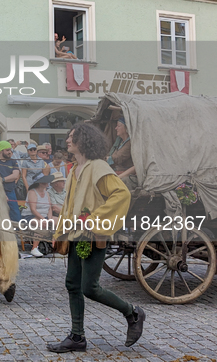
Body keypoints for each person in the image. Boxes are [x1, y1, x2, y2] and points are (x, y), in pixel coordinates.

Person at [48, 123, 144, 353]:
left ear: (84, 140)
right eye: (69, 136)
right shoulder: (74, 170)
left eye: (73, 137)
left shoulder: (98, 167)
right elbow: (68, 206)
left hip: (92, 234)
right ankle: (77, 337)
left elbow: (121, 194)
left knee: (89, 287)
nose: (68, 140)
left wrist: (92, 218)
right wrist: (59, 232)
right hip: (75, 235)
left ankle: (133, 312)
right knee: (72, 283)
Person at [21, 174, 54, 257]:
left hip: (44, 216)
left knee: (61, 221)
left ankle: (59, 245)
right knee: (41, 224)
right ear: (40, 183)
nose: (47, 183)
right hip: (30, 216)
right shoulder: (32, 192)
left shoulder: (46, 192)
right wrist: (44, 219)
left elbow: (49, 207)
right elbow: (33, 209)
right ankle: (34, 248)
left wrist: (49, 219)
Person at [0, 141, 21, 223]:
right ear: (1, 151)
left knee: (16, 213)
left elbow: (15, 175)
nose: (10, 152)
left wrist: (3, 179)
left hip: (10, 191)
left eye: (10, 150)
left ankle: (18, 233)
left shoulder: (13, 161)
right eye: (7, 150)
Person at [107, 117, 136, 183]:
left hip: (125, 173)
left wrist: (104, 159)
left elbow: (118, 157)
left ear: (126, 128)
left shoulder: (130, 143)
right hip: (116, 171)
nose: (116, 128)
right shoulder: (119, 142)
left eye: (118, 126)